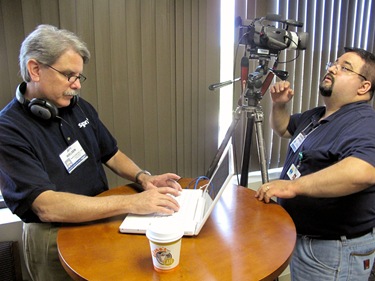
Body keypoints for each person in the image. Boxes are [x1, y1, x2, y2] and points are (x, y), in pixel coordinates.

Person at [0, 24, 182, 281]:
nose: (77, 86)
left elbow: (111, 153)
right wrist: (133, 202)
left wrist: (143, 178)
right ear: (35, 69)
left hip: (98, 218)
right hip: (53, 234)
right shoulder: (8, 129)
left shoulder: (77, 107)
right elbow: (46, 206)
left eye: (79, 77)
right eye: (68, 75)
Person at [255, 47, 375, 280]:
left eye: (344, 67)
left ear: (364, 87)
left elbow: (364, 171)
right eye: (334, 63)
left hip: (334, 251)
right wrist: (279, 105)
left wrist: (292, 186)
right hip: (305, 240)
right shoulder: (318, 115)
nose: (331, 68)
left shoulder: (362, 121)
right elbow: (283, 128)